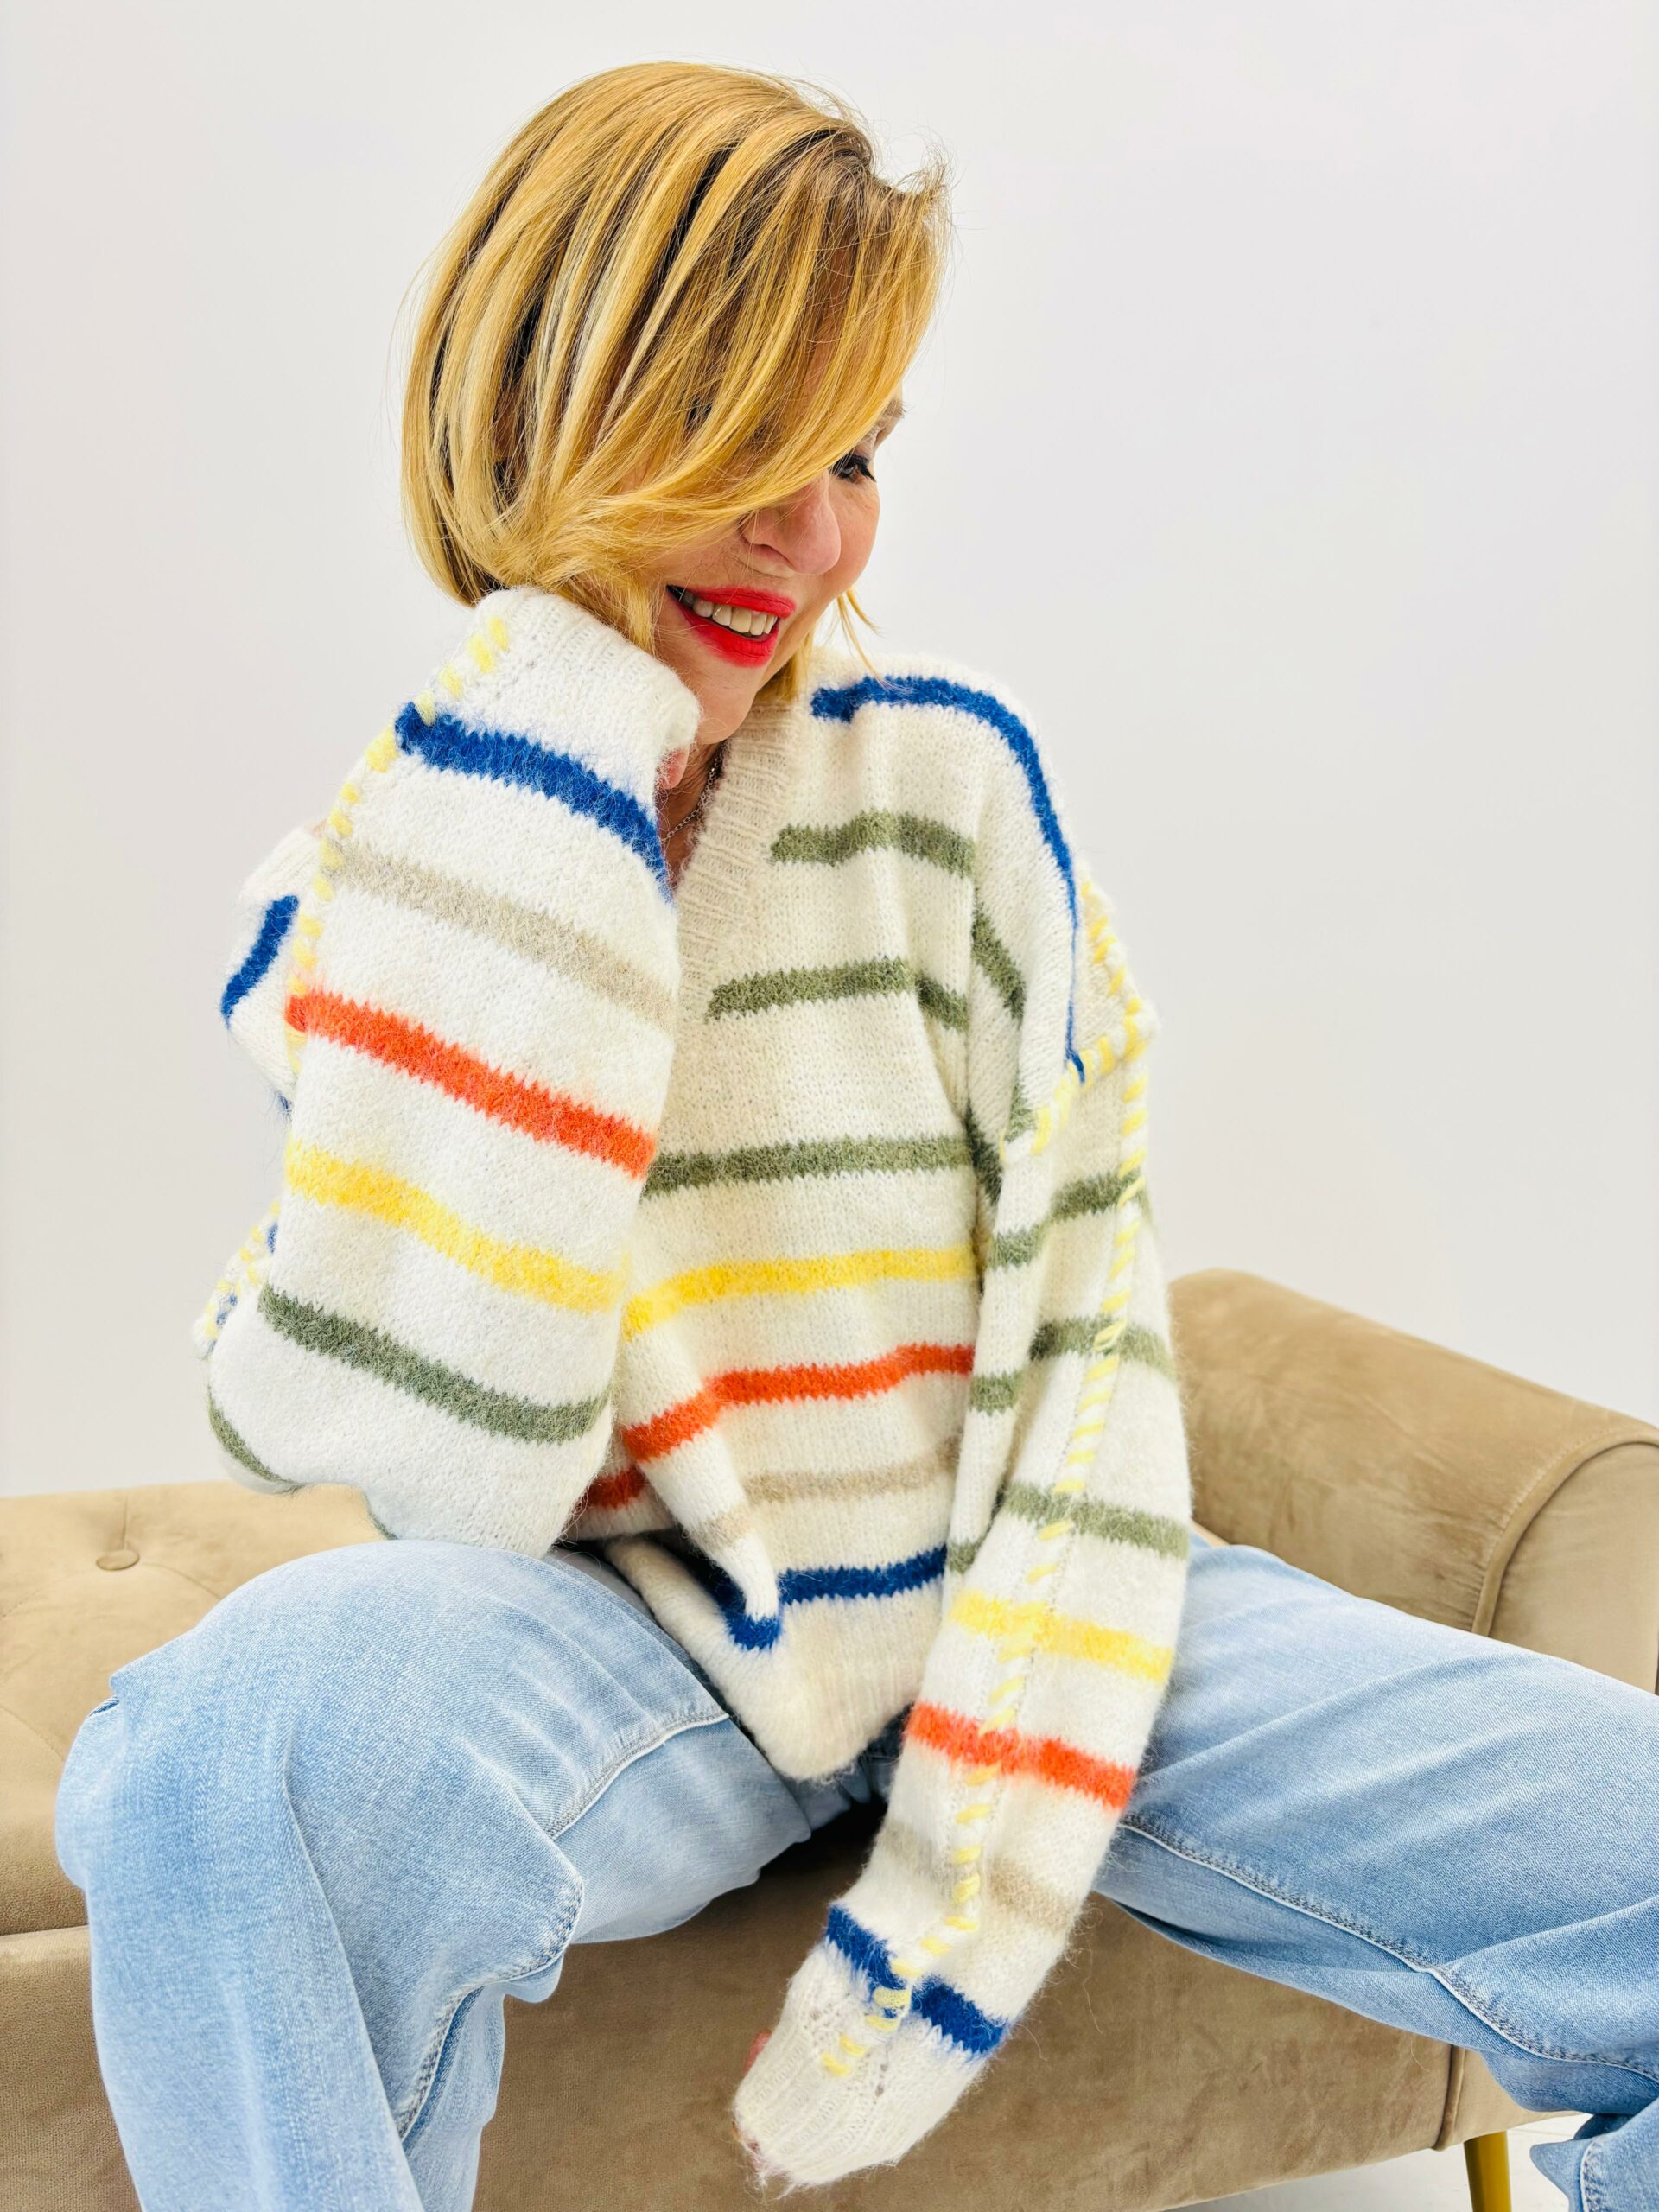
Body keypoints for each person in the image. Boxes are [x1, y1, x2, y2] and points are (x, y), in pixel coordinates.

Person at [53, 58, 1659, 2212]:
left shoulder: (950, 782)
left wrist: (1009, 1743)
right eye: (746, 444)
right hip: (614, 1642)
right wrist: (562, 797)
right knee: (213, 1754)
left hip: (1031, 1585)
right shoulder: (370, 896)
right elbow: (458, 1465)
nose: (814, 537)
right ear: (551, 418)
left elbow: (1084, 1305)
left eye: (857, 453)